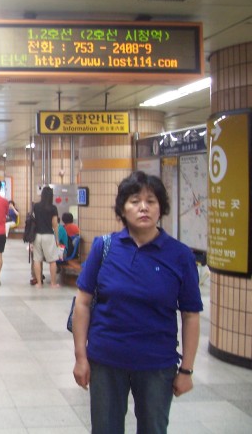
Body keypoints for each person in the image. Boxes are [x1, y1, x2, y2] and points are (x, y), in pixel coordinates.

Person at [72, 171, 202, 434]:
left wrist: (186, 369)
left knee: (153, 429)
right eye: (134, 201)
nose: (143, 207)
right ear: (122, 208)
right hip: (106, 361)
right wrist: (80, 357)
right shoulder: (104, 247)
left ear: (161, 207)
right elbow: (83, 304)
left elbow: (190, 315)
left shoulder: (179, 255)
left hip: (156, 365)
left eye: (151, 201)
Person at [29, 186, 60, 287]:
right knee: (52, 261)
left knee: (37, 259)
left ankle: (38, 283)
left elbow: (32, 220)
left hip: (37, 235)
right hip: (48, 235)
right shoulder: (53, 208)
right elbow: (55, 224)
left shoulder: (36, 206)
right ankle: (53, 283)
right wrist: (57, 239)